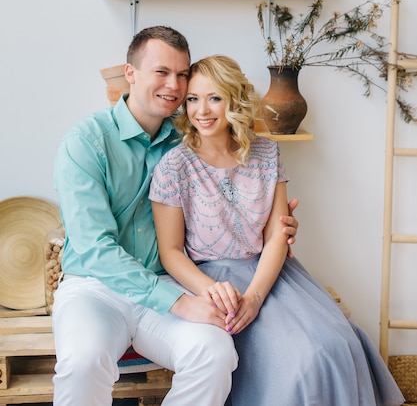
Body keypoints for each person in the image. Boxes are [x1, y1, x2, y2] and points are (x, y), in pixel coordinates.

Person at [52, 26, 299, 406]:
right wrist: (179, 303)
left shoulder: (188, 136)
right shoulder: (86, 142)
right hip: (96, 288)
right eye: (162, 72)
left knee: (215, 354)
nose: (175, 84)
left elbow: (236, 188)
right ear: (130, 73)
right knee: (83, 362)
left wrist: (272, 225)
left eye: (182, 74)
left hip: (166, 281)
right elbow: (94, 247)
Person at [149, 54, 404, 406]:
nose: (202, 111)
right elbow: (171, 252)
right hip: (210, 283)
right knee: (297, 362)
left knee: (337, 344)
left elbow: (276, 236)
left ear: (234, 100)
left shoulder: (267, 152)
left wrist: (254, 297)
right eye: (193, 99)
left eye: (214, 98)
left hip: (272, 274)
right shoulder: (174, 165)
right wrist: (216, 293)